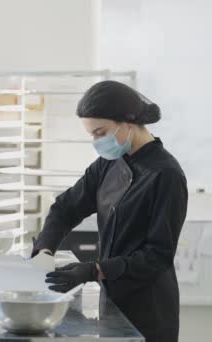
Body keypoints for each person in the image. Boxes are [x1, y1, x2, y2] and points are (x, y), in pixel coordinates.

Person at [32, 81, 187, 342]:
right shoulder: (107, 164)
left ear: (128, 121)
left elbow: (158, 255)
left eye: (100, 132)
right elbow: (66, 208)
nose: (96, 141)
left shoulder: (166, 175)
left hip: (150, 310)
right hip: (112, 299)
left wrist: (95, 270)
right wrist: (44, 251)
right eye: (92, 134)